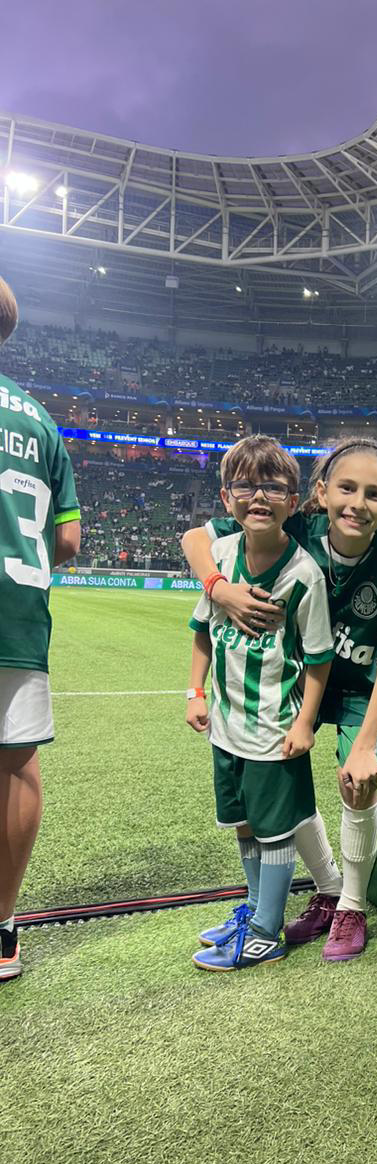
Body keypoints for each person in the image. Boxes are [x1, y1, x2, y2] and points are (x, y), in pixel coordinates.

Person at [182, 437, 377, 962]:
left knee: (357, 778)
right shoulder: (297, 524)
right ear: (321, 492)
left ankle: (352, 905)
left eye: (374, 494)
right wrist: (218, 587)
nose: (358, 503)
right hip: (302, 674)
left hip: (360, 684)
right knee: (282, 772)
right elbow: (196, 537)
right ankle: (329, 889)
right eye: (347, 488)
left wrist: (365, 745)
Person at [188, 437, 334, 970]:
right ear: (226, 499)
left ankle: (267, 932)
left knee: (275, 832)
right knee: (245, 823)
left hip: (274, 729)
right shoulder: (221, 560)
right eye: (245, 486)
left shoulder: (304, 575)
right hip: (226, 727)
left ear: (292, 502)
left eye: (272, 487)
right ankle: (254, 910)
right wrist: (195, 691)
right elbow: (202, 630)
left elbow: (318, 659)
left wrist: (304, 723)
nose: (258, 497)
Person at [0, 276, 82, 983]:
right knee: (17, 764)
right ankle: (3, 930)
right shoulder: (41, 423)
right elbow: (70, 540)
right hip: (21, 611)